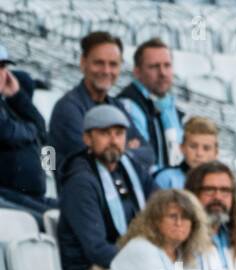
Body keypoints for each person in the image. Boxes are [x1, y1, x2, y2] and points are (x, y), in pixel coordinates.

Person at [56, 105, 155, 270]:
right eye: (104, 133)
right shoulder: (81, 181)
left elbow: (162, 203)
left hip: (125, 261)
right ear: (87, 138)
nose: (113, 140)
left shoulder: (131, 167)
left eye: (119, 133)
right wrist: (144, 263)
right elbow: (96, 249)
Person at [48, 32, 149, 174]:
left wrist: (118, 152)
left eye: (113, 64)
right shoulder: (67, 108)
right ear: (83, 63)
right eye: (99, 63)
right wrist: (126, 148)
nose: (106, 70)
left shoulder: (117, 107)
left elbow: (149, 153)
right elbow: (93, 159)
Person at [0, 44, 55, 222]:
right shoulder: (15, 116)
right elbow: (9, 133)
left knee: (68, 209)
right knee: (51, 222)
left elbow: (44, 137)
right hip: (10, 195)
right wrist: (33, 130)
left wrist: (18, 97)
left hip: (36, 192)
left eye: (3, 68)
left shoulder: (15, 109)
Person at [108, 187, 211, 270]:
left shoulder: (183, 255)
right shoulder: (141, 248)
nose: (179, 223)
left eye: (185, 217)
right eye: (172, 216)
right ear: (156, 220)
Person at [117, 38, 183, 175]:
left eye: (167, 65)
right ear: (137, 72)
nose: (162, 73)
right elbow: (142, 162)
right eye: (154, 66)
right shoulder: (128, 105)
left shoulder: (171, 107)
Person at [185, 160, 236, 270]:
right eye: (209, 190)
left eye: (225, 191)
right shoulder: (181, 238)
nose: (218, 197)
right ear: (194, 194)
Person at [152, 116, 219, 190]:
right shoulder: (166, 178)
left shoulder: (221, 182)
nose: (199, 153)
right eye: (193, 147)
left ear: (216, 153)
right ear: (182, 148)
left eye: (206, 148)